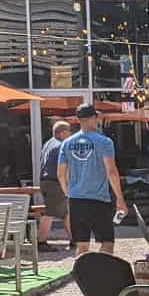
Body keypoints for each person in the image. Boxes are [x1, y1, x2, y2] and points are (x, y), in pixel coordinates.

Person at [57, 102, 128, 256]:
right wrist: (120, 198)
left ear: (78, 120)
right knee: (107, 244)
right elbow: (112, 172)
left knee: (82, 247)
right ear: (94, 118)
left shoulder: (67, 143)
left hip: (76, 199)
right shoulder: (104, 142)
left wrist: (69, 193)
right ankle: (102, 276)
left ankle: (82, 279)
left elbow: (61, 175)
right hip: (98, 200)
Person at [37, 120, 71, 250]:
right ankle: (41, 242)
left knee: (65, 213)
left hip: (45, 181)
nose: (70, 135)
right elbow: (62, 169)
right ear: (62, 133)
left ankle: (74, 239)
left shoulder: (48, 144)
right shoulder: (61, 146)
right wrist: (66, 187)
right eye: (69, 132)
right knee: (49, 212)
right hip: (54, 182)